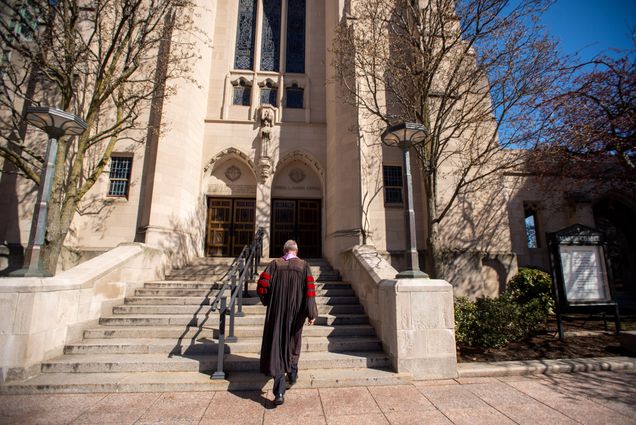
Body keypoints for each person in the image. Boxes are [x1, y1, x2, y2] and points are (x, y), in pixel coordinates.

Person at [257, 240, 318, 406]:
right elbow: (310, 291)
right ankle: (292, 374)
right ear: (296, 251)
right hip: (297, 314)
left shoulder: (274, 264)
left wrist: (269, 301)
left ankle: (279, 393)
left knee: (277, 346)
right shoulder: (304, 266)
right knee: (293, 343)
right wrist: (311, 312)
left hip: (277, 314)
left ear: (284, 250)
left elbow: (262, 287)